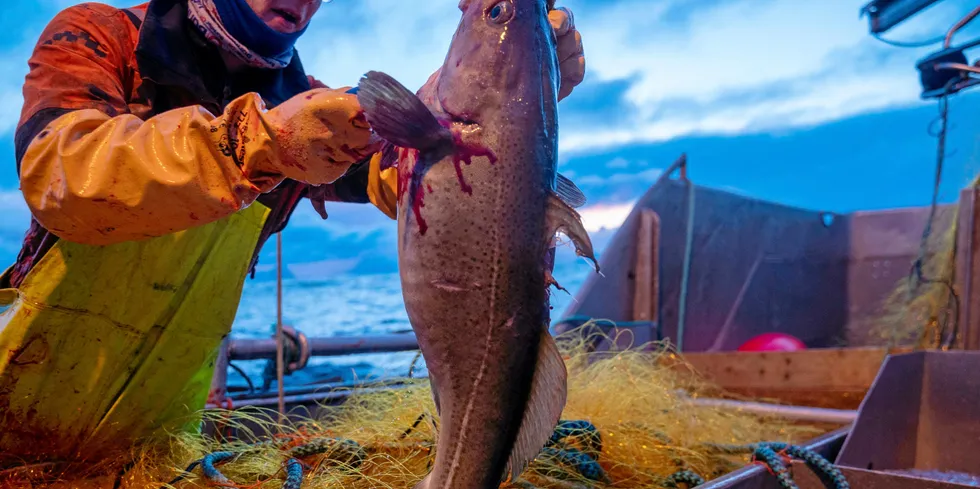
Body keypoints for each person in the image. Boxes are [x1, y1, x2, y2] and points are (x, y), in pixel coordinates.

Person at [0, 0, 586, 467]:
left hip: (162, 437)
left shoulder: (310, 104)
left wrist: (517, 101)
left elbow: (405, 178)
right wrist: (261, 144)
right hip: (16, 408)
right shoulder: (102, 39)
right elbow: (64, 177)